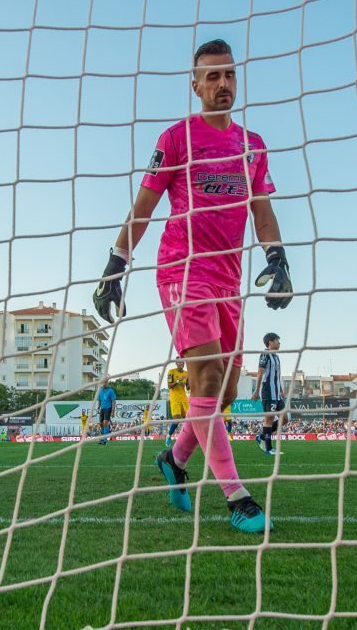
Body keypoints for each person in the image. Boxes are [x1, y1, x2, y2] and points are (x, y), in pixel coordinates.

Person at [92, 39, 292, 533]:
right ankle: (236, 495)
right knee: (203, 381)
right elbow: (144, 205)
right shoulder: (178, 137)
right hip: (182, 269)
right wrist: (115, 266)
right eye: (213, 76)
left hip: (229, 277)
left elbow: (261, 212)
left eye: (230, 76)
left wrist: (278, 259)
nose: (223, 84)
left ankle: (175, 457)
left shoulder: (253, 145)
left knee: (221, 393)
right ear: (196, 84)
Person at [252, 332, 285, 455]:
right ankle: (268, 448)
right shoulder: (265, 355)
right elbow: (260, 373)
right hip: (267, 391)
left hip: (276, 392)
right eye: (277, 341)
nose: (279, 343)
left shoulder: (276, 356)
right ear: (270, 342)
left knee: (285, 418)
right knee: (269, 419)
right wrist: (256, 391)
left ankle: (261, 436)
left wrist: (281, 389)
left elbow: (277, 376)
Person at [165, 360, 189, 447]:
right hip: (175, 398)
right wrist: (178, 382)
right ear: (176, 363)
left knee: (189, 419)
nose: (181, 364)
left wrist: (193, 381)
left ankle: (185, 438)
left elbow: (188, 387)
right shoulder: (171, 372)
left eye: (182, 362)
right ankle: (168, 436)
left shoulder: (187, 373)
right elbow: (169, 385)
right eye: (179, 362)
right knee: (177, 419)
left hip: (184, 398)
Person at [96, 378, 116, 445]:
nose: (104, 384)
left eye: (105, 383)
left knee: (105, 423)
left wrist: (113, 411)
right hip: (102, 409)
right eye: (102, 383)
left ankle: (105, 440)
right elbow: (99, 400)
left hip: (108, 408)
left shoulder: (110, 390)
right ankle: (102, 439)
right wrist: (98, 407)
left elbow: (113, 401)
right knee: (101, 424)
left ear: (107, 383)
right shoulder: (100, 390)